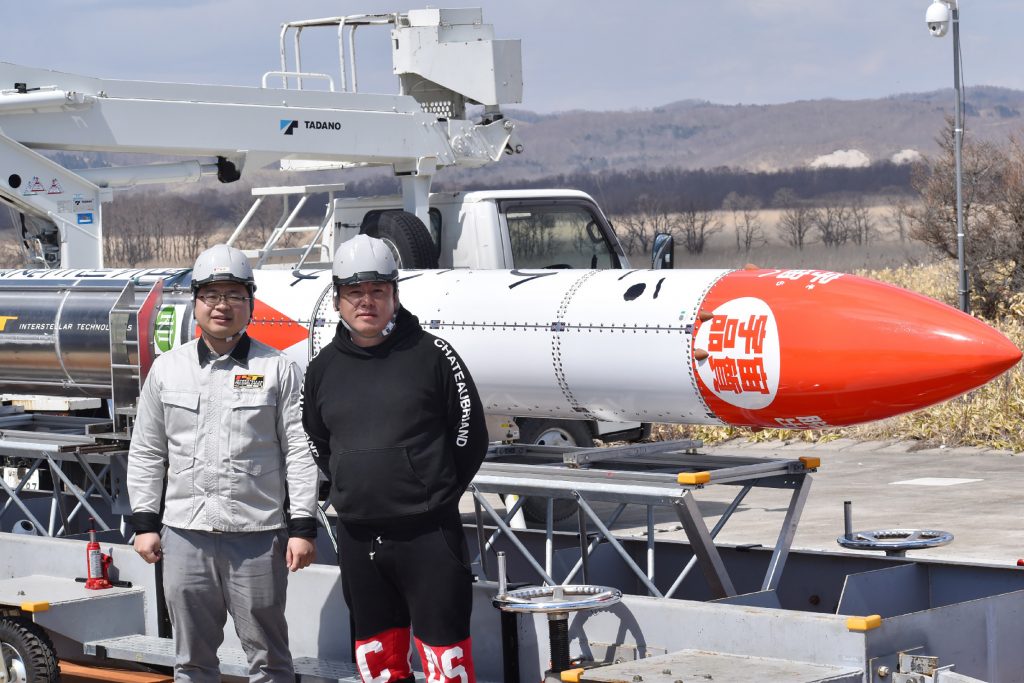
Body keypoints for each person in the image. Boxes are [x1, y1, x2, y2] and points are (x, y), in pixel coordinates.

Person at [127, 243, 319, 683]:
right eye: (211, 295)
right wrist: (144, 522)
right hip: (184, 537)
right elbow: (147, 451)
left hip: (257, 536)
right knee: (192, 662)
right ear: (194, 302)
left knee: (269, 660)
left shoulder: (278, 369)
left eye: (234, 295)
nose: (222, 306)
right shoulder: (167, 370)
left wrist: (303, 526)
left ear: (250, 303)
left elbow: (300, 452)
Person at [302, 235, 489, 683]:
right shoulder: (323, 366)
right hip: (359, 536)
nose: (366, 302)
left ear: (394, 295)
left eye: (377, 291)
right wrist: (352, 481)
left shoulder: (433, 355)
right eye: (354, 292)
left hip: (428, 534)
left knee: (446, 662)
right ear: (337, 299)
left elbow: (471, 436)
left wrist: (432, 489)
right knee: (378, 662)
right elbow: (315, 438)